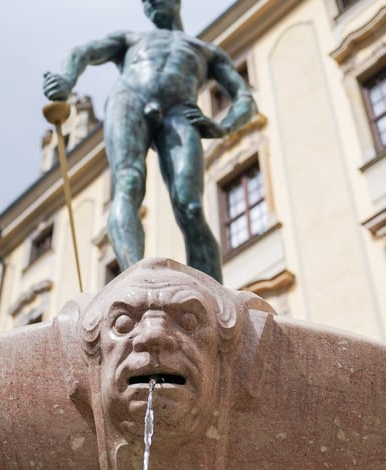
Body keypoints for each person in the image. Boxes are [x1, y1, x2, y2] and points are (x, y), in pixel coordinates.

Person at [43, 0, 257, 283]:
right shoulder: (131, 39)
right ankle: (134, 282)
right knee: (128, 182)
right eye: (144, 2)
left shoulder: (206, 51)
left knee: (191, 206)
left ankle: (215, 296)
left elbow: (245, 99)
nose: (149, 3)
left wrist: (222, 126)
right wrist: (66, 79)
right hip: (129, 99)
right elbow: (83, 52)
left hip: (180, 110)